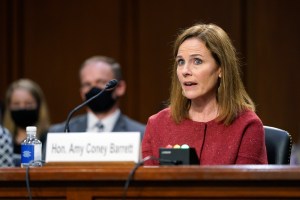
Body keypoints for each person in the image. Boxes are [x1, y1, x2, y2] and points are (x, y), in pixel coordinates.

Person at [142, 23, 268, 165]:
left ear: (221, 69)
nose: (185, 71)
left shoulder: (247, 125)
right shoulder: (157, 124)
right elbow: (146, 186)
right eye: (180, 62)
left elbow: (246, 187)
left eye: (197, 61)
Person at [48, 56, 145, 135]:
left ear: (120, 87)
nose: (94, 89)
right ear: (82, 93)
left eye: (101, 82)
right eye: (87, 84)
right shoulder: (58, 133)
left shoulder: (141, 134)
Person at [3, 79, 51, 166]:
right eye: (16, 104)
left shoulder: (50, 139)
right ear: (9, 107)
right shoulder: (3, 140)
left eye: (28, 104)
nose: (22, 108)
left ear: (38, 106)